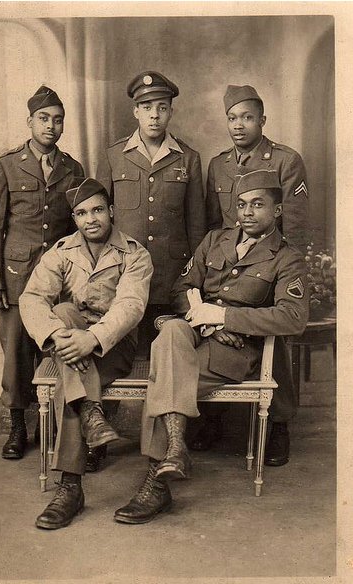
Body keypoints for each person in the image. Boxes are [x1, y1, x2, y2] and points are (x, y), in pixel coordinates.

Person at [114, 169, 309, 524]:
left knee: (165, 372)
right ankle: (174, 450)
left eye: (257, 205)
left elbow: (292, 318)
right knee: (171, 333)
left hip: (236, 353)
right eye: (241, 204)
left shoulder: (286, 256)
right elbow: (180, 289)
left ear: (277, 211)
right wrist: (206, 322)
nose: (246, 212)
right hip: (198, 334)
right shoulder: (215, 240)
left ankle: (156, 483)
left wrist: (223, 317)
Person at [19, 177, 153, 530]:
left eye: (97, 210)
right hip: (68, 344)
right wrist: (57, 334)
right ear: (74, 219)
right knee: (62, 313)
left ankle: (70, 488)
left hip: (114, 344)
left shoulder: (135, 253)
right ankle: (91, 411)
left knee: (70, 367)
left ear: (111, 211)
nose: (90, 219)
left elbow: (130, 306)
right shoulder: (62, 252)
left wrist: (91, 339)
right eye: (81, 213)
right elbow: (31, 298)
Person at [94, 70, 207, 469]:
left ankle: (160, 450)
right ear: (135, 112)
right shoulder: (113, 155)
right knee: (112, 352)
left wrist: (194, 285)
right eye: (146, 108)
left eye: (162, 107)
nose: (154, 115)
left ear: (171, 111)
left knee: (163, 361)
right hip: (124, 282)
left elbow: (198, 232)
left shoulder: (188, 158)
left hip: (171, 282)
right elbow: (101, 223)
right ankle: (100, 435)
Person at [198, 84, 310, 462]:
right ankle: (211, 415)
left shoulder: (286, 160)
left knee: (273, 336)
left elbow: (293, 228)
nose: (239, 125)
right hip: (230, 267)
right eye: (232, 118)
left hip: (271, 266)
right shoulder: (218, 165)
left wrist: (273, 276)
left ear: (262, 120)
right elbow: (215, 227)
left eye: (247, 117)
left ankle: (278, 423)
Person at [0, 86, 84, 460]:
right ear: (30, 122)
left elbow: (78, 229)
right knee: (17, 351)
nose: (51, 126)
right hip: (17, 276)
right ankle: (17, 424)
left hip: (60, 278)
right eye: (44, 118)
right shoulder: (5, 166)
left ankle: (49, 423)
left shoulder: (72, 168)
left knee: (57, 345)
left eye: (58, 120)